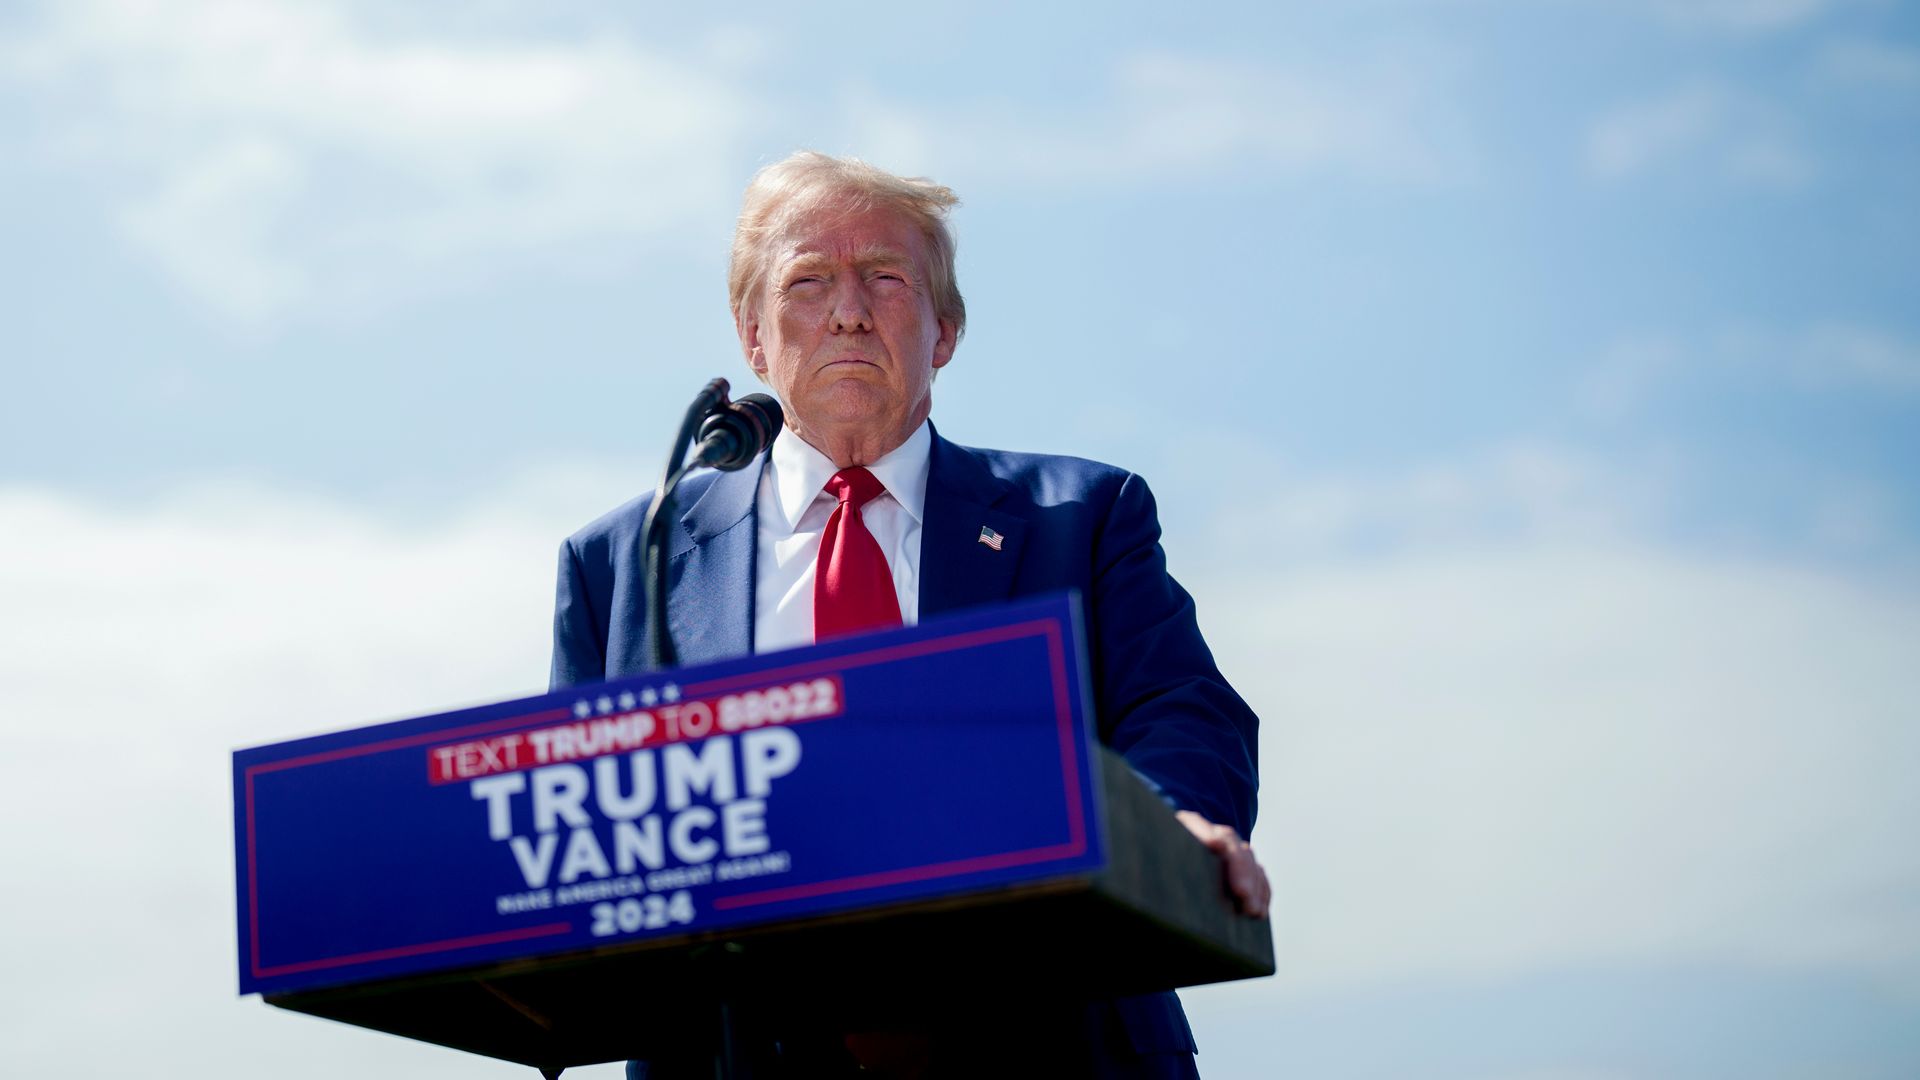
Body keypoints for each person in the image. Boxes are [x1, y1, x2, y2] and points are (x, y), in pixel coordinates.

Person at [551, 151, 1269, 1079]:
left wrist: (1168, 827)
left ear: (945, 330)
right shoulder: (625, 561)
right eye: (807, 282)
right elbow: (581, 827)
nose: (848, 310)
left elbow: (1179, 712)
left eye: (885, 278)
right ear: (753, 339)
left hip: (1048, 1038)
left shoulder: (1083, 520)